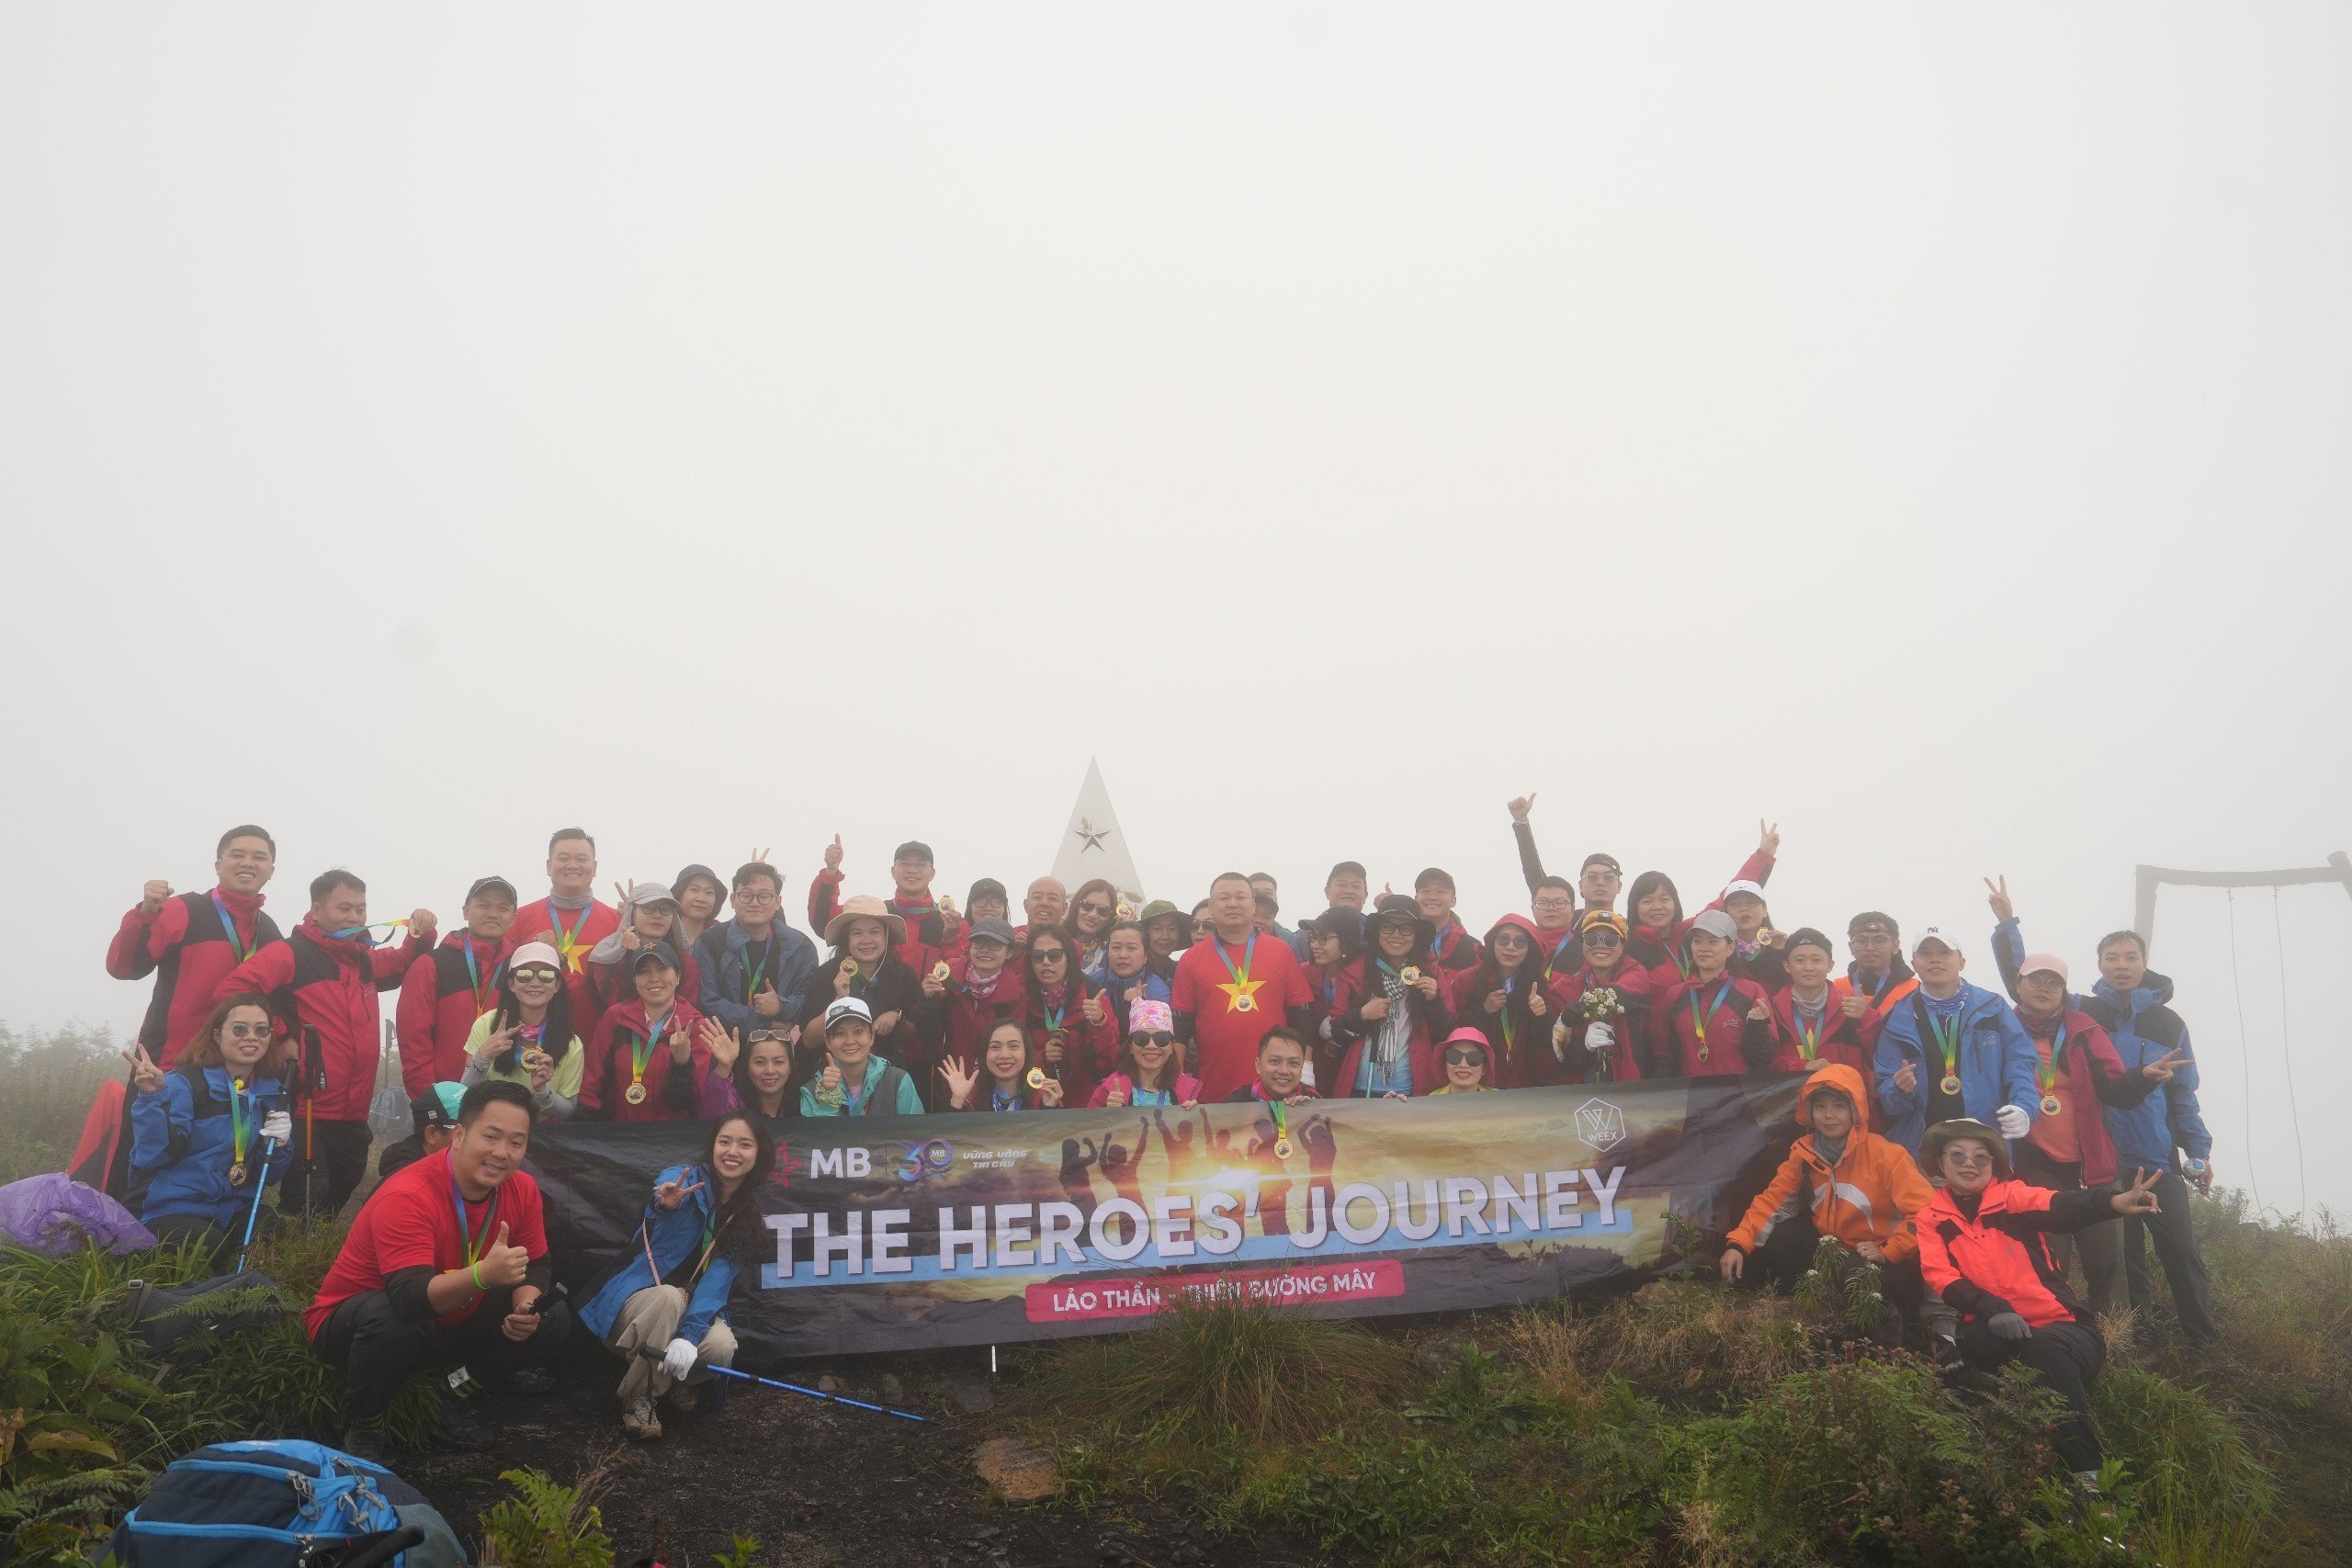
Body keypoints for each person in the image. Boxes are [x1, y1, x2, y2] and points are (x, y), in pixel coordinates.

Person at [1986, 892, 2218, 1344]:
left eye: (2131, 956)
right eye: (2111, 957)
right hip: (2106, 1159)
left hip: (2154, 1154)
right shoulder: (2083, 1011)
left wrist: (2198, 1149)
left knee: (2180, 1250)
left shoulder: (2169, 1024)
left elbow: (2184, 1095)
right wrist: (2006, 925)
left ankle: (2202, 1343)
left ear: (2144, 961)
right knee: (2124, 1260)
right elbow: (2030, 982)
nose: (2121, 965)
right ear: (2100, 965)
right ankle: (2135, 1336)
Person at [306, 1080, 570, 1460]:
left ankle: (450, 1389)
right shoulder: (408, 1193)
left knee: (552, 1316)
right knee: (391, 1320)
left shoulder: (522, 1188)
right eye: (491, 1136)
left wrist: (525, 1305)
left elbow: (537, 1263)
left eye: (516, 1142)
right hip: (356, 1329)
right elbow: (409, 1299)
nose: (501, 1153)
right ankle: (366, 1423)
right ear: (459, 1135)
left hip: (445, 1316)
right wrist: (482, 1275)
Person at [1912, 1119, 2165, 1487]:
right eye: (1958, 1155)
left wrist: (2112, 1201)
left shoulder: (2014, 1197)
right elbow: (1941, 1276)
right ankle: (2033, 1399)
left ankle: (2091, 1478)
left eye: (1981, 1158)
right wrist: (1992, 1308)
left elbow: (2062, 1206)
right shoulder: (1931, 1218)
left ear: (1994, 1165)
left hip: (2066, 1329)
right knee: (1977, 1342)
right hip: (1998, 1325)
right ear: (1941, 1163)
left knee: (2043, 1349)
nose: (1969, 1164)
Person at [218, 869, 435, 1217]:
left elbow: (399, 963)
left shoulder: (360, 958)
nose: (354, 917)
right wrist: (279, 1035)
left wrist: (420, 936)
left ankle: (313, 1258)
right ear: (317, 911)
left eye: (360, 910)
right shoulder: (291, 954)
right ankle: (286, 1259)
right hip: (308, 1107)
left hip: (354, 1111)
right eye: (344, 908)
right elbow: (233, 991)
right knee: (306, 1197)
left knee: (343, 1186)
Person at [2000, 947, 2178, 1319]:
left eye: (2054, 982)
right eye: (2036, 979)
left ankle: (2115, 1347)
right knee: (2049, 1260)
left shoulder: (2084, 1029)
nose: (2045, 988)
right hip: (2034, 1166)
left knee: (2107, 1265)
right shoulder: (1999, 1027)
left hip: (2093, 1167)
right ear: (2018, 984)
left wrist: (2142, 1077)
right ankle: (2054, 1335)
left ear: (2064, 991)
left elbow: (2115, 1089)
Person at [581, 1112, 775, 1439]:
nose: (732, 1151)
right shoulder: (686, 1181)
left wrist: (689, 1335)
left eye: (745, 1144)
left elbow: (717, 1285)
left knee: (722, 1345)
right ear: (712, 1145)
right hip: (636, 1309)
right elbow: (664, 1192)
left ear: (758, 1154)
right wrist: (664, 1202)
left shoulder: (746, 1218)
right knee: (669, 1295)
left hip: (685, 1311)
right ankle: (638, 1398)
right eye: (724, 1141)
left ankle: (672, 1381)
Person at [1719, 1065, 1932, 1342]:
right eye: (1820, 1107)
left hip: (1883, 1261)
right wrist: (1738, 1244)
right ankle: (1826, 1309)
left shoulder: (1887, 1156)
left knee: (1852, 1272)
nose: (1829, 1116)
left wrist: (1890, 1251)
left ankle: (1892, 1333)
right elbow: (1772, 1202)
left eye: (1838, 1107)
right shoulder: (1804, 1154)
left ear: (1855, 1110)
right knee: (1782, 1237)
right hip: (1836, 1251)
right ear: (1810, 1113)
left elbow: (1928, 1214)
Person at [124, 994, 294, 1263]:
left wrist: (281, 1146)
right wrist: (152, 1099)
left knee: (273, 1233)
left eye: (261, 1029)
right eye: (240, 1028)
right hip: (171, 1206)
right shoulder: (184, 1083)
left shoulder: (270, 1094)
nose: (251, 1036)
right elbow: (153, 1155)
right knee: (208, 1246)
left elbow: (267, 1176)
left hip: (232, 1205)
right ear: (217, 1035)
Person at [107, 825, 283, 1068]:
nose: (248, 863)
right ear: (218, 865)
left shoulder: (269, 931)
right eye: (237, 855)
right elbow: (123, 968)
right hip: (170, 1066)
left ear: (271, 870)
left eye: (259, 858)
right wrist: (146, 914)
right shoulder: (184, 910)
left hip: (239, 1071)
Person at [1871, 928, 2040, 1156]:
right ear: (1914, 964)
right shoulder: (1897, 1018)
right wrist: (1899, 1088)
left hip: (1985, 1147)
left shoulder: (1993, 1007)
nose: (1935, 959)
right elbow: (1888, 1097)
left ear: (1961, 961)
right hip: (1923, 1152)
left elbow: (2020, 1063)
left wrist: (2024, 1107)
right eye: (1925, 953)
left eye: (1944, 952)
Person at [1173, 874, 1318, 1103]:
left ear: (1253, 904)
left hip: (1277, 1088)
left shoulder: (1281, 952)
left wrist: (1306, 1070)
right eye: (1224, 898)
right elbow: (1180, 1025)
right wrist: (1178, 1079)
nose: (1233, 903)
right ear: (1211, 906)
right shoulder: (1190, 960)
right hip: (1214, 1087)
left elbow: (1302, 1014)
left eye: (1240, 897)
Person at [397, 876, 518, 1104]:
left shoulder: (521, 968)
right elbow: (414, 1043)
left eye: (503, 908)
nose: (493, 913)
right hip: (446, 1101)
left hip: (507, 1101)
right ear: (465, 911)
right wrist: (431, 1101)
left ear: (513, 918)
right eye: (483, 905)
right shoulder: (430, 965)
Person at [1327, 895, 1451, 1098]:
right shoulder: (1355, 973)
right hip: (1360, 1088)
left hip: (1412, 1089)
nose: (1396, 935)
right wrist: (1362, 1015)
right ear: (1377, 931)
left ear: (1416, 934)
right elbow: (1335, 1034)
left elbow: (1447, 1034)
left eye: (1406, 928)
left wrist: (1434, 1002)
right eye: (1388, 926)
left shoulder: (1431, 975)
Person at [799, 895, 926, 1078]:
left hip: (887, 1076)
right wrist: (837, 1001)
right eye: (857, 933)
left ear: (886, 936)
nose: (866, 940)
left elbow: (917, 1033)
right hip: (830, 1077)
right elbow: (809, 1040)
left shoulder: (903, 975)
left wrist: (897, 1016)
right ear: (846, 938)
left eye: (874, 932)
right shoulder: (827, 974)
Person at [694, 862, 818, 1048]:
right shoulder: (710, 941)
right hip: (723, 1046)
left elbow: (809, 999)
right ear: (733, 899)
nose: (754, 903)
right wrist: (762, 1023)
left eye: (764, 896)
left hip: (778, 1052)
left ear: (777, 902)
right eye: (746, 895)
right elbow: (708, 1002)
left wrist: (781, 1006)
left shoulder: (801, 946)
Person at [580, 945, 708, 1122]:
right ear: (635, 980)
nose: (654, 978)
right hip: (622, 1135)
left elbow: (689, 1102)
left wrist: (681, 1064)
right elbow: (593, 1082)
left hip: (674, 1139)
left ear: (678, 976)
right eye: (644, 972)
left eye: (662, 969)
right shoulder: (615, 1018)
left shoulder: (695, 1026)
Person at [459, 942, 584, 1122]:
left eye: (546, 976)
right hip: (488, 1125)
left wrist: (543, 1091)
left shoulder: (571, 1044)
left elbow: (569, 1111)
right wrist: (482, 1056)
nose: (535, 982)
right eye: (524, 975)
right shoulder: (487, 1024)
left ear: (556, 985)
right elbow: (464, 1094)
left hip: (539, 1133)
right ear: (511, 983)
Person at [916, 915, 1028, 1106]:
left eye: (995, 945)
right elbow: (926, 1029)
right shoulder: (947, 977)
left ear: (1009, 952)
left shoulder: (1016, 994)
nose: (985, 950)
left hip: (991, 1082)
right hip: (946, 1077)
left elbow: (1016, 1044)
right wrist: (927, 999)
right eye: (979, 943)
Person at [1659, 910, 1786, 1078]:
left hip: (1737, 1098)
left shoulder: (1751, 991)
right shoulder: (1675, 995)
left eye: (1713, 942)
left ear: (1730, 948)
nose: (1703, 948)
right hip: (1690, 1097)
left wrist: (1757, 1029)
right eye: (1697, 941)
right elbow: (1664, 1053)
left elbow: (1765, 1058)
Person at [1766, 929, 1876, 1102]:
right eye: (1800, 960)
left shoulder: (1851, 1010)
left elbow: (1877, 1056)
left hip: (1845, 1108)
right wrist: (1804, 1066)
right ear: (1787, 966)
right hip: (1788, 1110)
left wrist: (1867, 1017)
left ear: (1830, 965)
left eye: (1816, 960)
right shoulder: (1772, 1010)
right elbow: (1765, 1063)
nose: (1808, 967)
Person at [581, 881, 701, 1039]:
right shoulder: (605, 957)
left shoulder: (685, 962)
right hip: (618, 1040)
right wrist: (631, 958)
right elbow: (610, 1004)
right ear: (631, 912)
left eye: (665, 909)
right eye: (648, 907)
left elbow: (687, 1011)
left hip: (671, 1043)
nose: (657, 915)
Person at [1547, 910, 1657, 1083]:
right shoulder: (1570, 985)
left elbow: (1616, 994)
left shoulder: (1636, 973)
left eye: (1611, 940)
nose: (1601, 946)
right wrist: (1585, 1045)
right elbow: (1564, 1060)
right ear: (1582, 946)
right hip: (1584, 1090)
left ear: (1622, 947)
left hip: (1630, 1085)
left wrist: (1567, 1016)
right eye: (1591, 940)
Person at [1447, 913, 1555, 1089]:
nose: (1510, 947)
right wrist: (1483, 1010)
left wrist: (1542, 1015)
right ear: (1493, 943)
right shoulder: (1468, 979)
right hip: (1477, 1081)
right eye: (1503, 940)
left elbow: (1549, 1043)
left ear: (1530, 948)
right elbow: (1453, 1030)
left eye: (1519, 942)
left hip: (1524, 1081)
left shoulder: (1540, 984)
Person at [1023, 925, 1117, 1102]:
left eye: (1054, 955)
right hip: (1038, 1102)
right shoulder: (1022, 998)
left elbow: (1110, 1061)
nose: (1046, 962)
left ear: (1069, 958)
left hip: (1086, 1105)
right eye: (1037, 956)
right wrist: (1042, 1056)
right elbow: (1014, 1058)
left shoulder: (1093, 997)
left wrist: (1099, 1023)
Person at [809, 837, 948, 951]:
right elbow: (824, 924)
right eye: (904, 863)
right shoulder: (877, 913)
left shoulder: (949, 921)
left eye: (921, 864)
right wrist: (831, 871)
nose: (912, 870)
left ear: (932, 873)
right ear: (893, 871)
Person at [512, 829, 619, 974]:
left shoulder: (618, 922)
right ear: (549, 866)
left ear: (594, 868)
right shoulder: (518, 919)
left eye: (581, 859)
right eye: (563, 859)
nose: (572, 865)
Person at [1502, 793, 1626, 919]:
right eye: (1593, 877)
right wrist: (1521, 822)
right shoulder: (1566, 923)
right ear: (1581, 885)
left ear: (1619, 886)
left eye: (1609, 878)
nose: (1600, 883)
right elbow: (1535, 875)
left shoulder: (1630, 931)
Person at [798, 998, 925, 1116]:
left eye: (858, 1031)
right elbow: (818, 1139)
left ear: (871, 1037)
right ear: (828, 1042)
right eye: (840, 1033)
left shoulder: (898, 1081)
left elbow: (917, 1135)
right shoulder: (812, 1091)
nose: (850, 1041)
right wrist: (827, 1103)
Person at [1299, 907, 1366, 1089]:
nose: (1314, 945)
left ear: (1346, 942)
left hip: (1354, 1067)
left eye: (1323, 939)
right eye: (1313, 937)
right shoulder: (1305, 972)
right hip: (1314, 1066)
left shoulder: (1366, 977)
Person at [1091, 1000, 1201, 1109]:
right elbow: (1088, 1123)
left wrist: (1194, 1118)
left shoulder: (1188, 1091)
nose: (1151, 1045)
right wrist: (1107, 1115)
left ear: (1172, 1047)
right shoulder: (1110, 1089)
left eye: (1161, 1038)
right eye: (1142, 1038)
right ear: (1131, 1047)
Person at [1833, 912, 1917, 1050]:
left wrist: (1866, 1015)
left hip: (1896, 1069)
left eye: (1880, 940)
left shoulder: (1915, 991)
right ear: (1851, 947)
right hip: (1847, 1070)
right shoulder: (1835, 989)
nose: (1870, 947)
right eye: (1861, 940)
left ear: (1895, 946)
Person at [941, 1018, 1062, 1111]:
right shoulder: (969, 1096)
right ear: (984, 1054)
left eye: (1013, 1046)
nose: (1004, 1055)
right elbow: (951, 1141)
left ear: (1026, 1052)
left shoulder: (1044, 1095)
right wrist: (957, 1102)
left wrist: (1049, 1109)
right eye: (995, 1047)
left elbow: (1053, 1141)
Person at [696, 1017, 796, 1129]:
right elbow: (709, 1119)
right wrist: (724, 1067)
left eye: (778, 1062)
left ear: (790, 1067)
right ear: (747, 1068)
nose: (770, 1070)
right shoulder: (734, 1103)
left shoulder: (804, 1102)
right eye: (760, 1062)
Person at [379, 1081, 466, 1181]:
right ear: (432, 1134)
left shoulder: (449, 1168)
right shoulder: (408, 1185)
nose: (475, 1139)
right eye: (462, 1131)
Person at [1287, 863, 1369, 963]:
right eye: (1341, 884)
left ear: (1365, 896)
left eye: (1356, 886)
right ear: (1327, 892)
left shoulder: (1377, 933)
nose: (1348, 891)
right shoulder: (1305, 936)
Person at [1223, 1026, 1318, 1106]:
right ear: (1258, 1065)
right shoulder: (1236, 1103)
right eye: (1275, 1061)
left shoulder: (1314, 1101)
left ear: (1301, 1069)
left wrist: (1309, 1115)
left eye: (1293, 1063)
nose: (1284, 1070)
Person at [1722, 880, 1788, 993]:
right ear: (1726, 913)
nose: (1743, 908)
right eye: (1735, 904)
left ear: (1764, 910)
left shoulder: (1783, 946)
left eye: (1751, 902)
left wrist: (1781, 953)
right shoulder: (1720, 951)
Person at [1413, 868, 1482, 973]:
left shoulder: (1473, 948)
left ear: (1453, 901)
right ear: (1416, 899)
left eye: (1441, 891)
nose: (1432, 897)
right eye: (1426, 891)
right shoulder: (1402, 940)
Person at [1100, 920, 1172, 1017]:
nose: (1123, 955)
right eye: (1116, 947)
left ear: (1145, 955)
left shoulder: (1158, 992)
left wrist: (1139, 1006)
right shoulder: (1093, 982)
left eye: (1131, 948)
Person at [1069, 879, 1121, 977]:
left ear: (1111, 916)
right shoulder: (1053, 940)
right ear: (1076, 905)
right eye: (1087, 905)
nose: (1093, 915)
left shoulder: (1113, 951)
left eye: (1103, 910)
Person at [671, 864, 728, 953]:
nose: (701, 898)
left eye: (709, 892)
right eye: (694, 890)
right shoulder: (663, 937)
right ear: (679, 895)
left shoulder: (726, 938)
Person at [1427, 1027, 1498, 1093]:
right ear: (1445, 1065)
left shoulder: (1498, 1101)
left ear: (1484, 1068)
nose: (1463, 1065)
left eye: (1474, 1058)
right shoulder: (1429, 1103)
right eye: (1454, 1056)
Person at [1139, 900, 1191, 974]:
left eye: (1172, 929)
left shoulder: (1179, 971)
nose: (1166, 936)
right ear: (1145, 933)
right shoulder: (1132, 972)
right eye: (1157, 929)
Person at [1246, 874, 1296, 945]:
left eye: (1268, 893)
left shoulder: (1292, 944)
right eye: (1255, 892)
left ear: (1276, 899)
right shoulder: (1226, 939)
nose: (1263, 895)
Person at [1019, 877, 1069, 945]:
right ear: (1026, 905)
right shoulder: (1008, 939)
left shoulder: (1071, 946)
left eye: (1052, 898)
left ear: (1064, 908)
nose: (1044, 903)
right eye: (1037, 897)